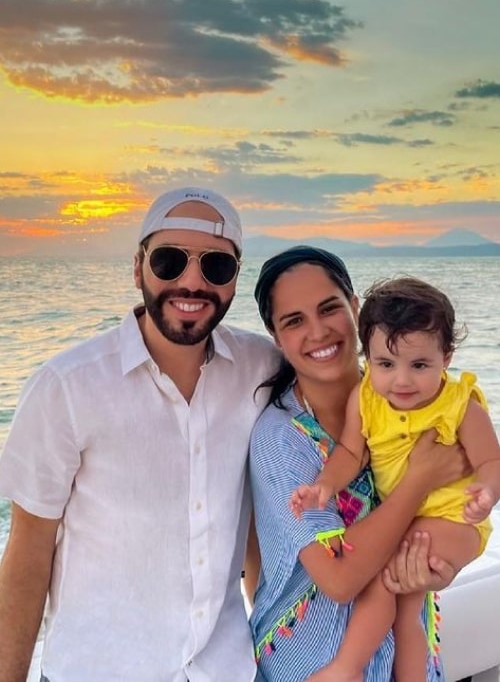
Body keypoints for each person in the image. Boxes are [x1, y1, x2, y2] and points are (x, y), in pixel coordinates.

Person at [0, 187, 281, 682]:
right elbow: (27, 555)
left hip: (227, 671)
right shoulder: (67, 387)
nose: (192, 283)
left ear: (235, 279)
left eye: (215, 267)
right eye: (169, 261)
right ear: (138, 269)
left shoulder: (263, 369)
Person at [249, 246, 470, 682]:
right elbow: (339, 579)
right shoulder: (282, 439)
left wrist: (439, 562)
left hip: (406, 653)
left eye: (329, 309)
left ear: (355, 308)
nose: (317, 331)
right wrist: (419, 481)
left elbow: (451, 505)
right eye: (294, 321)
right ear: (277, 337)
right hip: (314, 662)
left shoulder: (411, 400)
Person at [290, 276, 500, 681]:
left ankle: (346, 669)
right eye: (385, 364)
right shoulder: (366, 397)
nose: (401, 381)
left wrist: (486, 494)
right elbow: (351, 453)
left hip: (454, 521)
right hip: (409, 515)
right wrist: (324, 486)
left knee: (383, 580)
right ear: (366, 357)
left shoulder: (459, 405)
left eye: (419, 365)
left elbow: (492, 460)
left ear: (447, 356)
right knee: (406, 609)